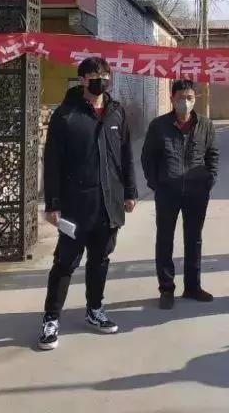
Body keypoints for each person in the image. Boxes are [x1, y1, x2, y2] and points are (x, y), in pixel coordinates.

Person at [39, 57, 138, 351]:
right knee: (65, 263)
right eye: (95, 75)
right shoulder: (66, 115)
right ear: (82, 80)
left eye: (105, 74)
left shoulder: (116, 112)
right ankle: (51, 319)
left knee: (100, 259)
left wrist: (130, 191)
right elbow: (52, 161)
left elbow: (126, 156)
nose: (101, 79)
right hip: (75, 205)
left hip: (108, 203)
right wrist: (52, 203)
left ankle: (95, 309)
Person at [142, 79, 219, 310]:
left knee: (194, 239)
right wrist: (157, 184)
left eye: (189, 98)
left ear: (195, 99)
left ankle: (193, 286)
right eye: (180, 98)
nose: (185, 102)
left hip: (197, 192)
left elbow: (212, 155)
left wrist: (209, 179)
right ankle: (166, 289)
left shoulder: (205, 125)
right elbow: (148, 158)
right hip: (168, 192)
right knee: (165, 239)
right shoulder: (159, 126)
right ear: (172, 99)